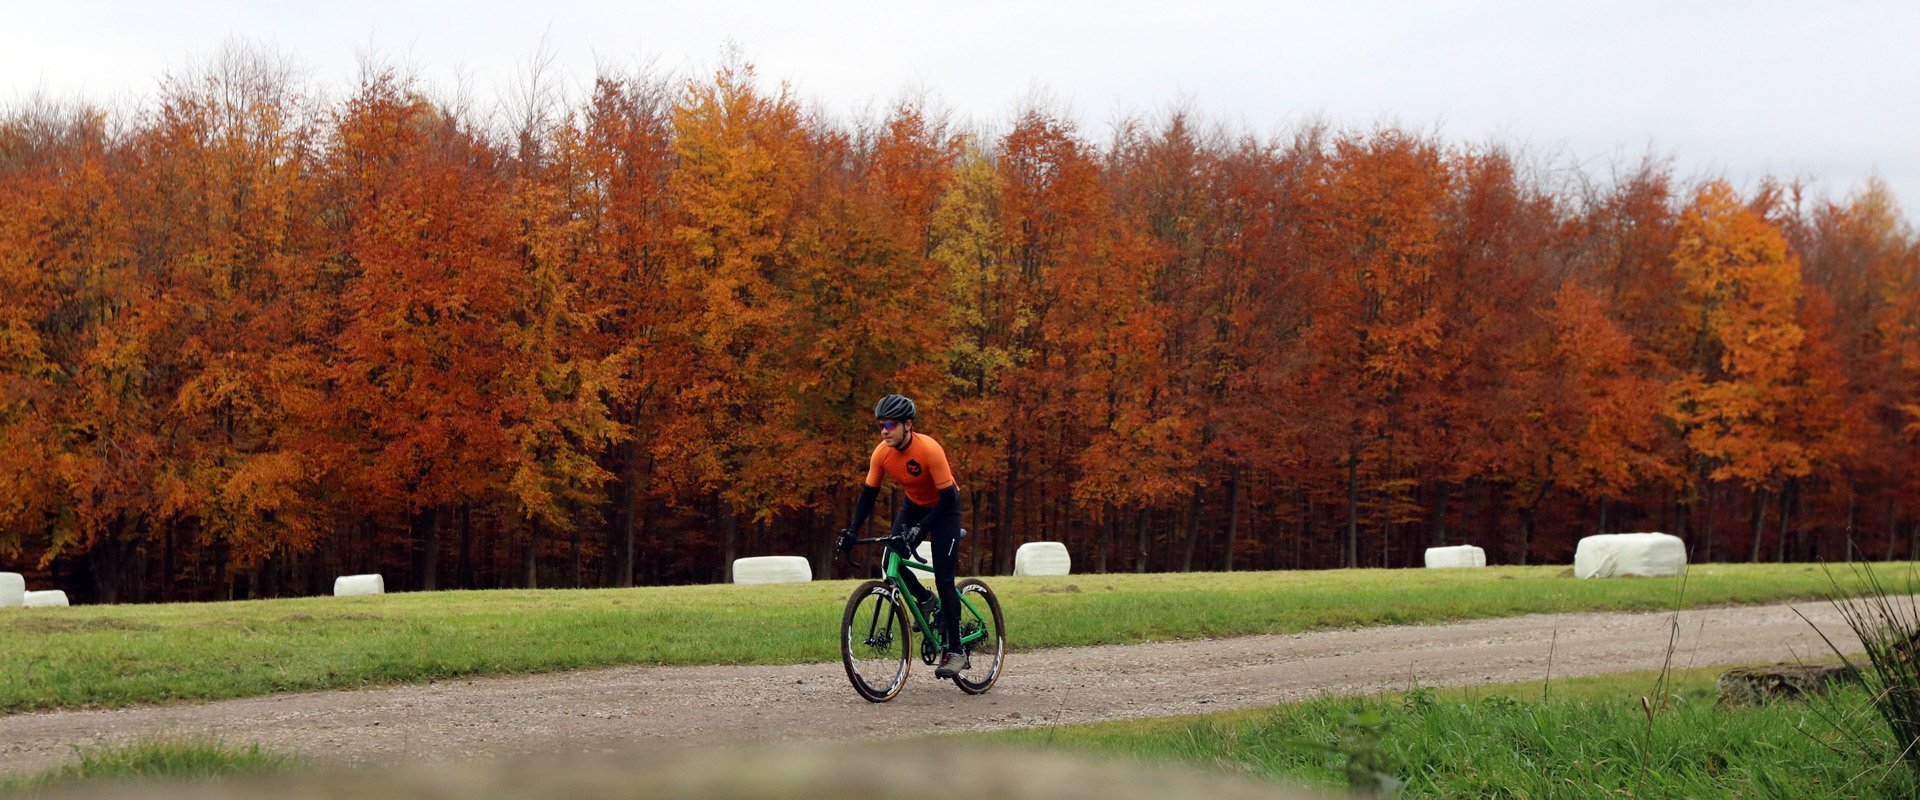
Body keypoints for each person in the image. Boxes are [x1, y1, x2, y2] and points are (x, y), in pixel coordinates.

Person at [837, 394, 969, 678]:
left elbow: (948, 497)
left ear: (908, 424)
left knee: (944, 579)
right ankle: (924, 600)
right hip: (914, 505)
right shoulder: (881, 453)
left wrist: (922, 529)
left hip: (945, 508)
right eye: (881, 425)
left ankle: (956, 650)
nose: (884, 430)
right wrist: (852, 530)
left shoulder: (929, 450)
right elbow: (868, 496)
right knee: (890, 559)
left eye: (890, 424)